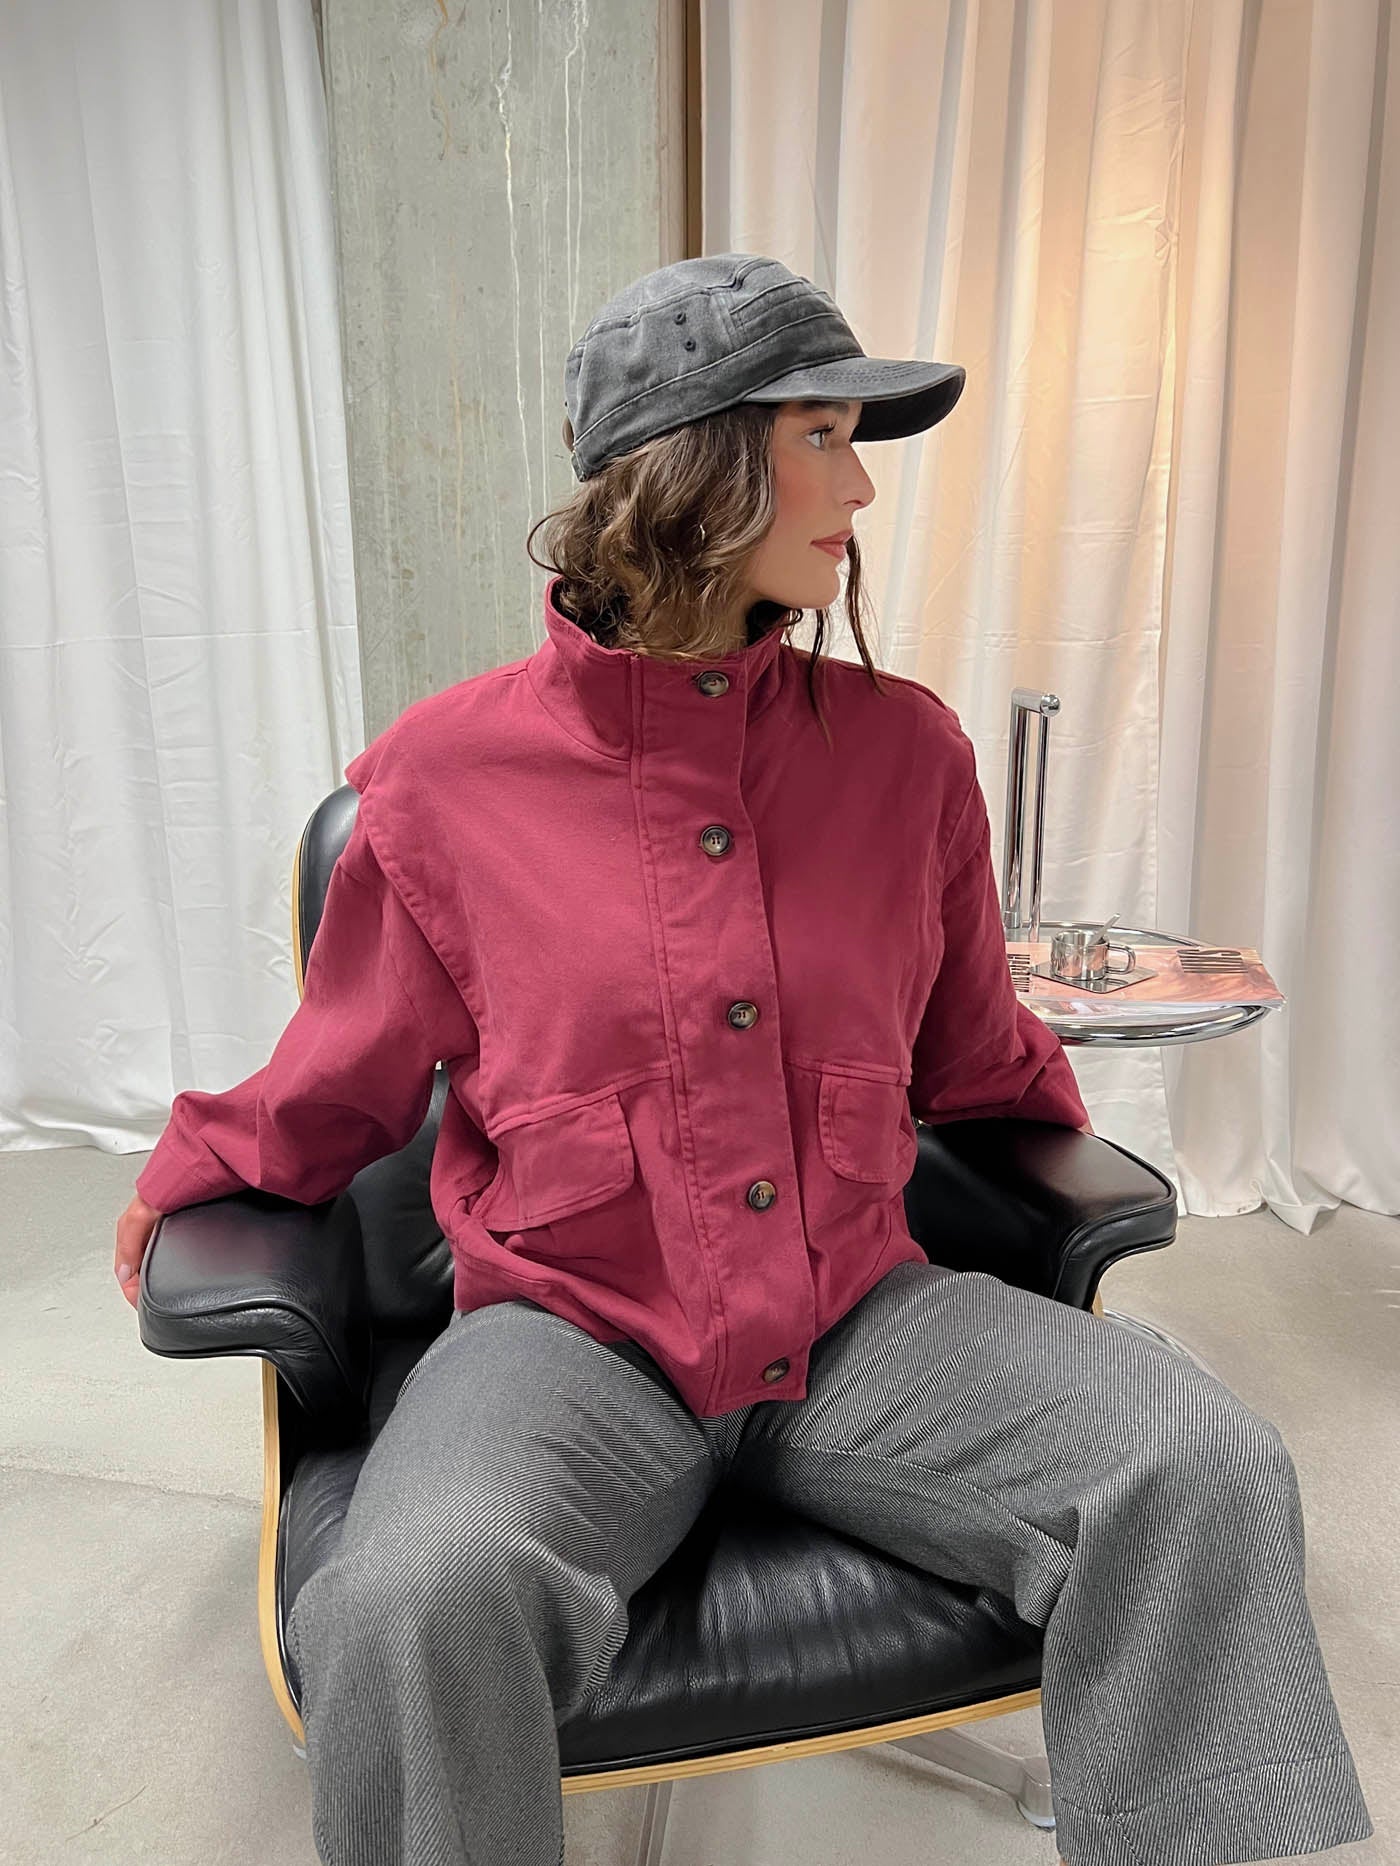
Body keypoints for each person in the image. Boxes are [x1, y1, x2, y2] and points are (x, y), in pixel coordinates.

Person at [114, 255, 1372, 1866]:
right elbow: (339, 1078)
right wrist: (192, 1169)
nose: (862, 488)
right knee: (416, 1591)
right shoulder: (440, 783)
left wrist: (1060, 1157)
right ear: (695, 465)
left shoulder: (907, 756)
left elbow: (977, 1053)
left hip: (858, 1315)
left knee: (1201, 1462)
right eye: (824, 437)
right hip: (567, 1335)